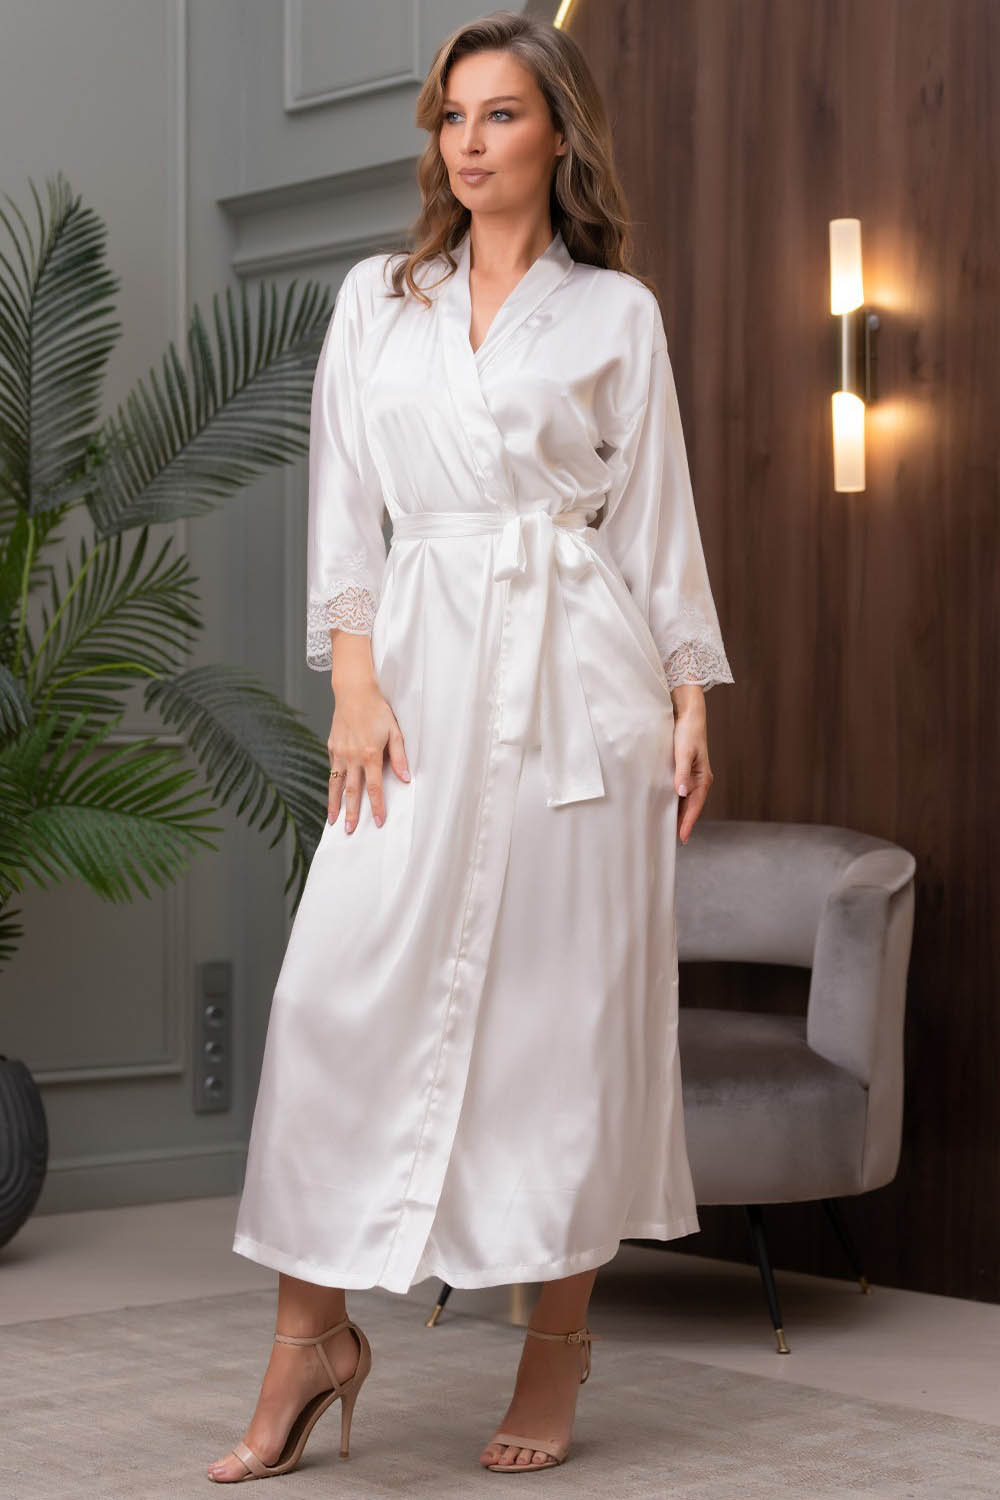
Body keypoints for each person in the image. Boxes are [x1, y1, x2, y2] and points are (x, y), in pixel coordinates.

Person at [207, 8, 734, 1485]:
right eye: (453, 115)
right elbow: (344, 501)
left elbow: (655, 518)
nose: (471, 141)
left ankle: (555, 1345)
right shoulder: (380, 299)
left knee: (565, 1021)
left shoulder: (615, 316)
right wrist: (353, 682)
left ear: (558, 134)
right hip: (420, 677)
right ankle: (310, 1338)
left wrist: (688, 692)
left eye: (501, 114)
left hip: (582, 692)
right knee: (336, 996)